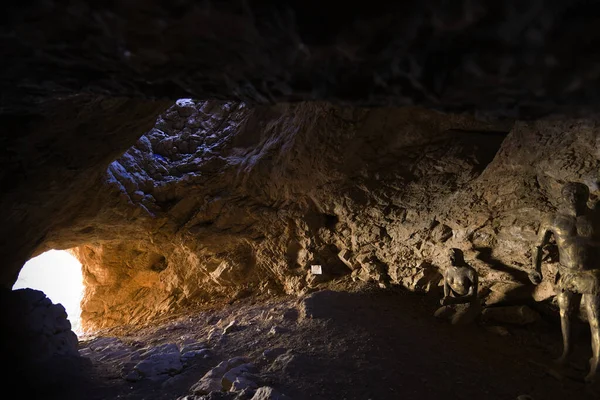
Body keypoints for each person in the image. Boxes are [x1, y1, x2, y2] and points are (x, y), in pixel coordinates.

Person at [529, 181, 600, 382]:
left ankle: (596, 364)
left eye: (578, 194)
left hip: (593, 274)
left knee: (596, 320)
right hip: (567, 273)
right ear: (562, 196)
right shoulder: (553, 219)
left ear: (586, 197)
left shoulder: (596, 218)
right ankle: (566, 353)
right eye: (569, 194)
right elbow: (537, 245)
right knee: (565, 314)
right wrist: (535, 268)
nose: (573, 198)